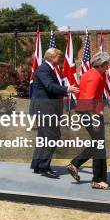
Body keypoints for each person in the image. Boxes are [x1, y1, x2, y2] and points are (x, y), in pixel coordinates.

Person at [66, 52, 110, 190]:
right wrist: (94, 117)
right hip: (90, 112)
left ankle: (75, 164)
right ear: (100, 65)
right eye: (106, 65)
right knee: (99, 145)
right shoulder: (94, 77)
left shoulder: (91, 74)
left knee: (98, 144)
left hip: (86, 111)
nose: (108, 67)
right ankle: (98, 180)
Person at [30, 48, 79, 178]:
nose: (61, 59)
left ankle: (38, 165)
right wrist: (67, 89)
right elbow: (50, 86)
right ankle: (44, 167)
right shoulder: (44, 69)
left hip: (46, 109)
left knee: (43, 137)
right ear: (51, 57)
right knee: (52, 136)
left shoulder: (48, 69)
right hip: (44, 110)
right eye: (59, 56)